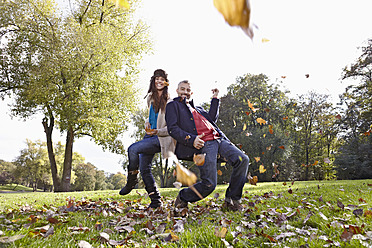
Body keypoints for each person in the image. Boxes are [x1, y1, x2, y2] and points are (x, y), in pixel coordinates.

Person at [165, 80, 249, 211]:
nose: (185, 92)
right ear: (177, 91)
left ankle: (231, 201)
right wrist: (192, 139)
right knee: (209, 184)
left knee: (242, 159)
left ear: (191, 92)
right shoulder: (173, 106)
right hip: (205, 143)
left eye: (188, 90)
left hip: (219, 139)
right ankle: (183, 196)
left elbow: (212, 119)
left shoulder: (198, 109)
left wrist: (215, 99)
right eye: (182, 89)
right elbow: (172, 129)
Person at [119, 69, 176, 209]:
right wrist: (147, 121)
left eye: (162, 79)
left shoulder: (170, 102)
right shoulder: (151, 97)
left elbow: (172, 128)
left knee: (133, 149)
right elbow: (153, 116)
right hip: (149, 135)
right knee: (145, 169)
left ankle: (131, 181)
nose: (159, 81)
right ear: (153, 81)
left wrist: (158, 131)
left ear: (166, 82)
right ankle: (156, 201)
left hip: (161, 138)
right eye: (157, 79)